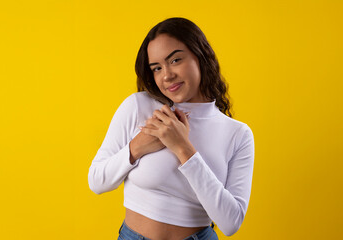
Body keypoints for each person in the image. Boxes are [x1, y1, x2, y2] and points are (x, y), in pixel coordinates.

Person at [88, 17, 255, 240]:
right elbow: (97, 181)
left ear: (201, 56)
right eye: (157, 68)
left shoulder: (238, 134)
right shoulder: (139, 106)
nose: (167, 75)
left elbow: (231, 222)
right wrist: (137, 147)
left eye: (175, 60)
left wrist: (183, 148)